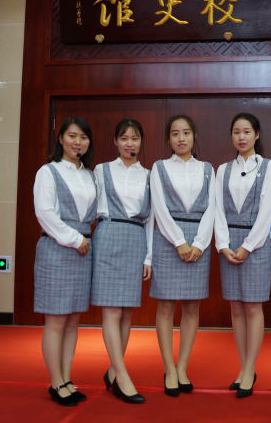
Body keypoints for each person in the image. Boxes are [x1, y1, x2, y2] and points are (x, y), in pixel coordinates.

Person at [214, 112, 271, 399]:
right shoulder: (223, 170)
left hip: (257, 244)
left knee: (253, 307)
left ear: (257, 135)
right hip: (229, 244)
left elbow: (267, 212)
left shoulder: (269, 167)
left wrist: (249, 245)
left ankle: (251, 369)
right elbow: (217, 209)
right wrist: (223, 244)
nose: (241, 137)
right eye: (236, 132)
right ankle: (243, 368)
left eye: (246, 132)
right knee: (236, 308)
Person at [150, 115, 215, 397]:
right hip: (168, 240)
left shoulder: (207, 169)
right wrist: (179, 242)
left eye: (186, 133)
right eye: (175, 133)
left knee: (191, 306)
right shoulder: (159, 167)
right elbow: (159, 208)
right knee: (165, 306)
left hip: (199, 240)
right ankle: (168, 368)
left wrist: (199, 244)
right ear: (169, 139)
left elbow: (213, 208)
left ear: (194, 136)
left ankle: (183, 367)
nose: (181, 138)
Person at [33, 117, 96, 406]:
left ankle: (67, 379)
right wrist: (74, 239)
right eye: (72, 136)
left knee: (73, 321)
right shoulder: (48, 172)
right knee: (56, 320)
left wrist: (82, 241)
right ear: (60, 139)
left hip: (83, 251)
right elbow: (45, 213)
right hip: (58, 249)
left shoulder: (90, 175)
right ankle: (56, 381)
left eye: (83, 137)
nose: (77, 142)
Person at [92, 118, 153, 404]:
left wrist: (149, 256)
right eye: (124, 138)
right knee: (111, 310)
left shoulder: (150, 175)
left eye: (135, 138)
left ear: (141, 141)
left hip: (136, 238)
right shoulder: (101, 170)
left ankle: (113, 371)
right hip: (108, 235)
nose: (130, 143)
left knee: (127, 312)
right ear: (115, 141)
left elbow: (152, 220)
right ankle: (123, 376)